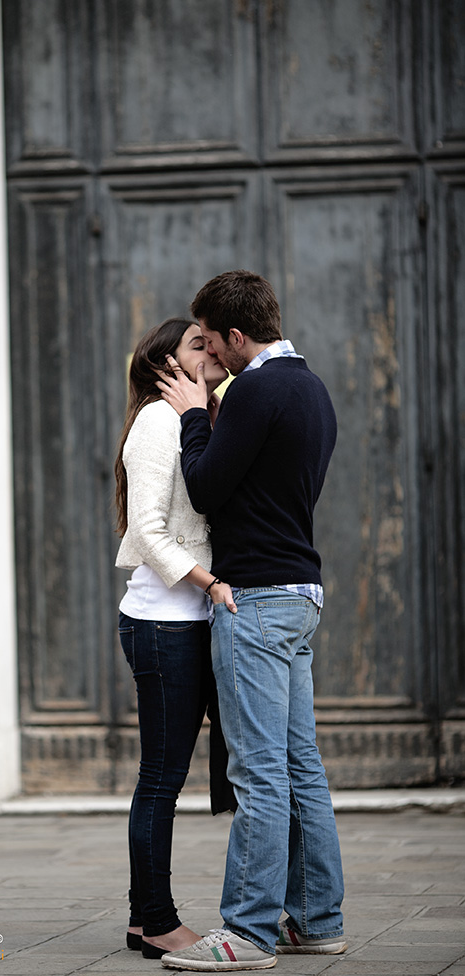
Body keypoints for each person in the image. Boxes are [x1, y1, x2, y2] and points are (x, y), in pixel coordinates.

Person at [155, 271, 346, 971]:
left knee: (260, 773)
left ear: (237, 336)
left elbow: (204, 489)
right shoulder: (311, 387)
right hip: (300, 593)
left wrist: (191, 413)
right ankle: (317, 920)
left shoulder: (255, 388)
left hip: (257, 598)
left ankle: (247, 933)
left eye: (210, 341)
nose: (207, 355)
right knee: (300, 768)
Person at [114, 318, 237, 960]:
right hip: (165, 623)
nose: (212, 348)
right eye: (198, 343)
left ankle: (143, 920)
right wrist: (212, 582)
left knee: (165, 776)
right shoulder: (159, 423)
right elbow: (150, 532)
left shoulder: (200, 418)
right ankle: (158, 921)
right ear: (169, 364)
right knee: (161, 779)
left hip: (185, 622)